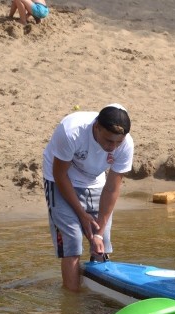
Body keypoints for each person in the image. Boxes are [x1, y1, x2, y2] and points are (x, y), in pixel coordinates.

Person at [43, 104, 134, 292]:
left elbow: (111, 188)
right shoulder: (71, 132)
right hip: (60, 177)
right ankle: (73, 300)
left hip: (95, 180)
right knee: (73, 242)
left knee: (102, 244)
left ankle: (99, 301)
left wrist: (99, 232)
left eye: (118, 142)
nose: (113, 148)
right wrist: (82, 215)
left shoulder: (126, 145)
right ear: (96, 127)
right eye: (109, 141)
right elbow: (60, 175)